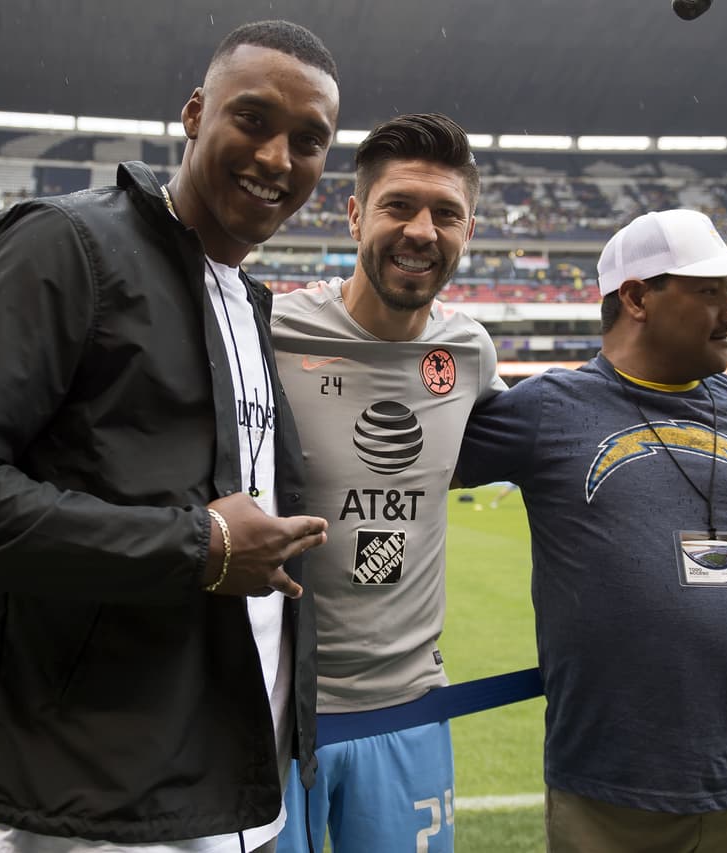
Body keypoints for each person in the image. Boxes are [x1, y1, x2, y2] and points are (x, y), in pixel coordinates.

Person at [0, 20, 339, 853]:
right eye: (253, 119)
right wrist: (199, 546)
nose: (276, 159)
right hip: (105, 809)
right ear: (194, 113)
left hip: (242, 795)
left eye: (308, 140)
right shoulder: (71, 243)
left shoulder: (243, 298)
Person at [457, 209, 727, 851]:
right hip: (608, 799)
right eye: (710, 292)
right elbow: (406, 461)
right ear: (636, 297)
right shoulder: (546, 409)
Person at [270, 114, 503, 853]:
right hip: (275, 707)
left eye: (446, 213)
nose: (422, 230)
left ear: (469, 229)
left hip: (408, 706)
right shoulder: (271, 331)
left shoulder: (469, 353)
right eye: (399, 205)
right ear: (354, 215)